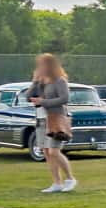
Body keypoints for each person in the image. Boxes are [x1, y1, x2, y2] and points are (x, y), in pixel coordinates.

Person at [27, 52, 76, 192]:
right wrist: (35, 81)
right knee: (46, 152)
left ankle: (70, 178)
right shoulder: (41, 82)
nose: (39, 67)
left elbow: (64, 99)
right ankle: (56, 182)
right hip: (42, 119)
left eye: (42, 65)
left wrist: (44, 101)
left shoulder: (59, 80)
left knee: (54, 151)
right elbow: (28, 96)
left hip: (56, 118)